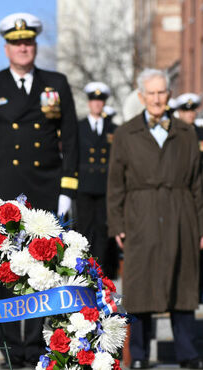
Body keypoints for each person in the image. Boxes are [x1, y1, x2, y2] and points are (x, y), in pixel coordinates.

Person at [0, 12, 79, 368]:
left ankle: (33, 344)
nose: (23, 48)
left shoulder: (55, 82)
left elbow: (71, 138)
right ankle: (9, 347)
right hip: (2, 188)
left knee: (40, 267)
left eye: (28, 42)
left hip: (43, 188)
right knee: (3, 269)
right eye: (16, 43)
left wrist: (67, 187)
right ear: (7, 48)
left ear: (34, 46)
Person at [107, 68, 203, 370]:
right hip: (140, 214)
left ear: (169, 95)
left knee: (183, 280)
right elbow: (115, 184)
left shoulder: (186, 132)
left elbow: (197, 184)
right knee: (141, 284)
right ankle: (138, 353)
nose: (156, 98)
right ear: (141, 96)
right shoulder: (126, 133)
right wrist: (116, 223)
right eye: (151, 93)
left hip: (181, 213)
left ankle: (187, 352)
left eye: (162, 92)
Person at [174, 92, 203, 302]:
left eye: (192, 110)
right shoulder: (173, 133)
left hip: (201, 194)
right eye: (186, 110)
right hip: (181, 193)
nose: (190, 114)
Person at [76, 81, 118, 278]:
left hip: (105, 185)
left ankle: (100, 272)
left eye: (100, 100)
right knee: (85, 230)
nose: (97, 104)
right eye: (94, 100)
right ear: (89, 103)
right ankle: (83, 271)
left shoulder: (113, 128)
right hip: (84, 185)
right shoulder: (79, 127)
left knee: (103, 230)